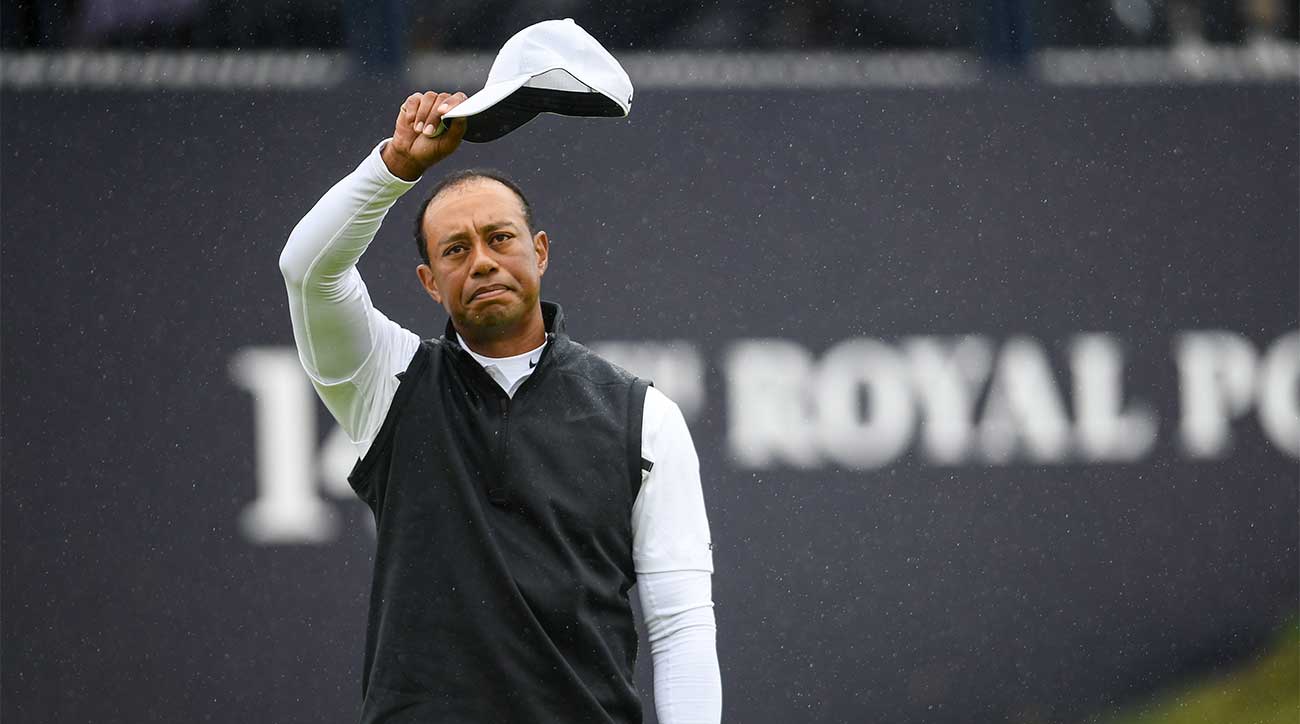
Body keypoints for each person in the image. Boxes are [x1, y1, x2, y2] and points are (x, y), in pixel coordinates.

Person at [278, 90, 721, 723]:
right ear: (430, 282)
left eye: (499, 238)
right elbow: (307, 271)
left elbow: (681, 627)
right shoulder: (390, 382)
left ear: (539, 251)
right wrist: (397, 164)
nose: (482, 261)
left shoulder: (642, 417)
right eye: (455, 250)